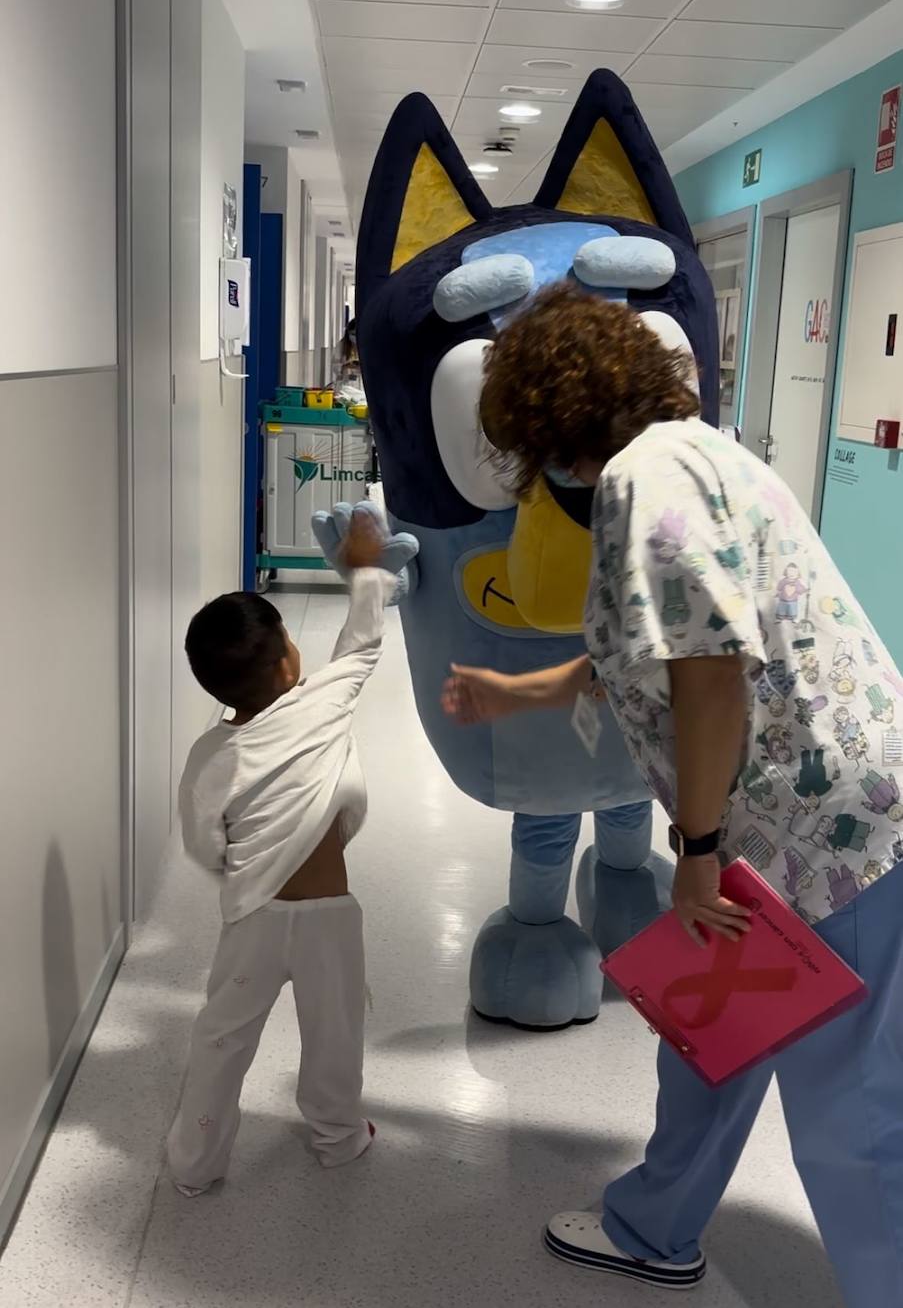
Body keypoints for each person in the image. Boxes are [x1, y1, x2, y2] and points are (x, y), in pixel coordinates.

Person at [442, 284, 903, 1305]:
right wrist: (510, 689)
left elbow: (708, 671)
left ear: (545, 416)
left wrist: (695, 853)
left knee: (848, 1109)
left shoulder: (647, 482)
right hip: (785, 821)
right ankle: (655, 1227)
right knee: (711, 1030)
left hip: (831, 831)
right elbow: (632, 649)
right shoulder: (699, 455)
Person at [167, 509, 396, 1195]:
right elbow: (361, 646)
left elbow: (203, 841)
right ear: (290, 656)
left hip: (253, 920)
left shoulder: (210, 755)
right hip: (331, 916)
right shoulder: (320, 703)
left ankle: (194, 1166)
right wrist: (364, 571)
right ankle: (338, 1138)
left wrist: (240, 871)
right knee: (334, 1038)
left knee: (220, 1043)